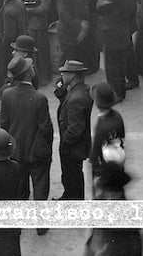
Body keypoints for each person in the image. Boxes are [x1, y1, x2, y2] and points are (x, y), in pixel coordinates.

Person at [0, 56, 53, 203]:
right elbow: (46, 129)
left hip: (16, 152)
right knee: (40, 189)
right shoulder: (39, 98)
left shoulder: (7, 95)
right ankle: (40, 224)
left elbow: (4, 124)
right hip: (37, 153)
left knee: (20, 190)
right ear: (28, 72)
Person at [55, 58, 93, 200]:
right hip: (76, 146)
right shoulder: (81, 90)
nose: (62, 76)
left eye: (65, 73)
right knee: (72, 176)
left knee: (72, 176)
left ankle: (72, 200)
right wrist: (62, 88)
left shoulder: (76, 98)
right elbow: (62, 98)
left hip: (72, 147)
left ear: (72, 75)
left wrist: (65, 143)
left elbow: (76, 128)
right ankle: (69, 196)